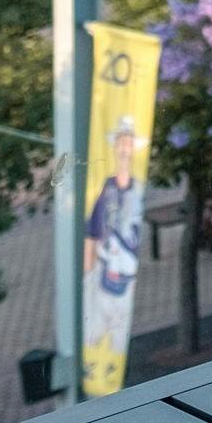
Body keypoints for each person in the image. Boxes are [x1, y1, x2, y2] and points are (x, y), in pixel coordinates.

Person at [82, 113, 145, 349]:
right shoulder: (107, 190)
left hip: (126, 285)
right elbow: (92, 235)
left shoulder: (137, 191)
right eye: (122, 142)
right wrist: (88, 278)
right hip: (104, 281)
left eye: (129, 143)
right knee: (92, 342)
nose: (125, 149)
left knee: (118, 344)